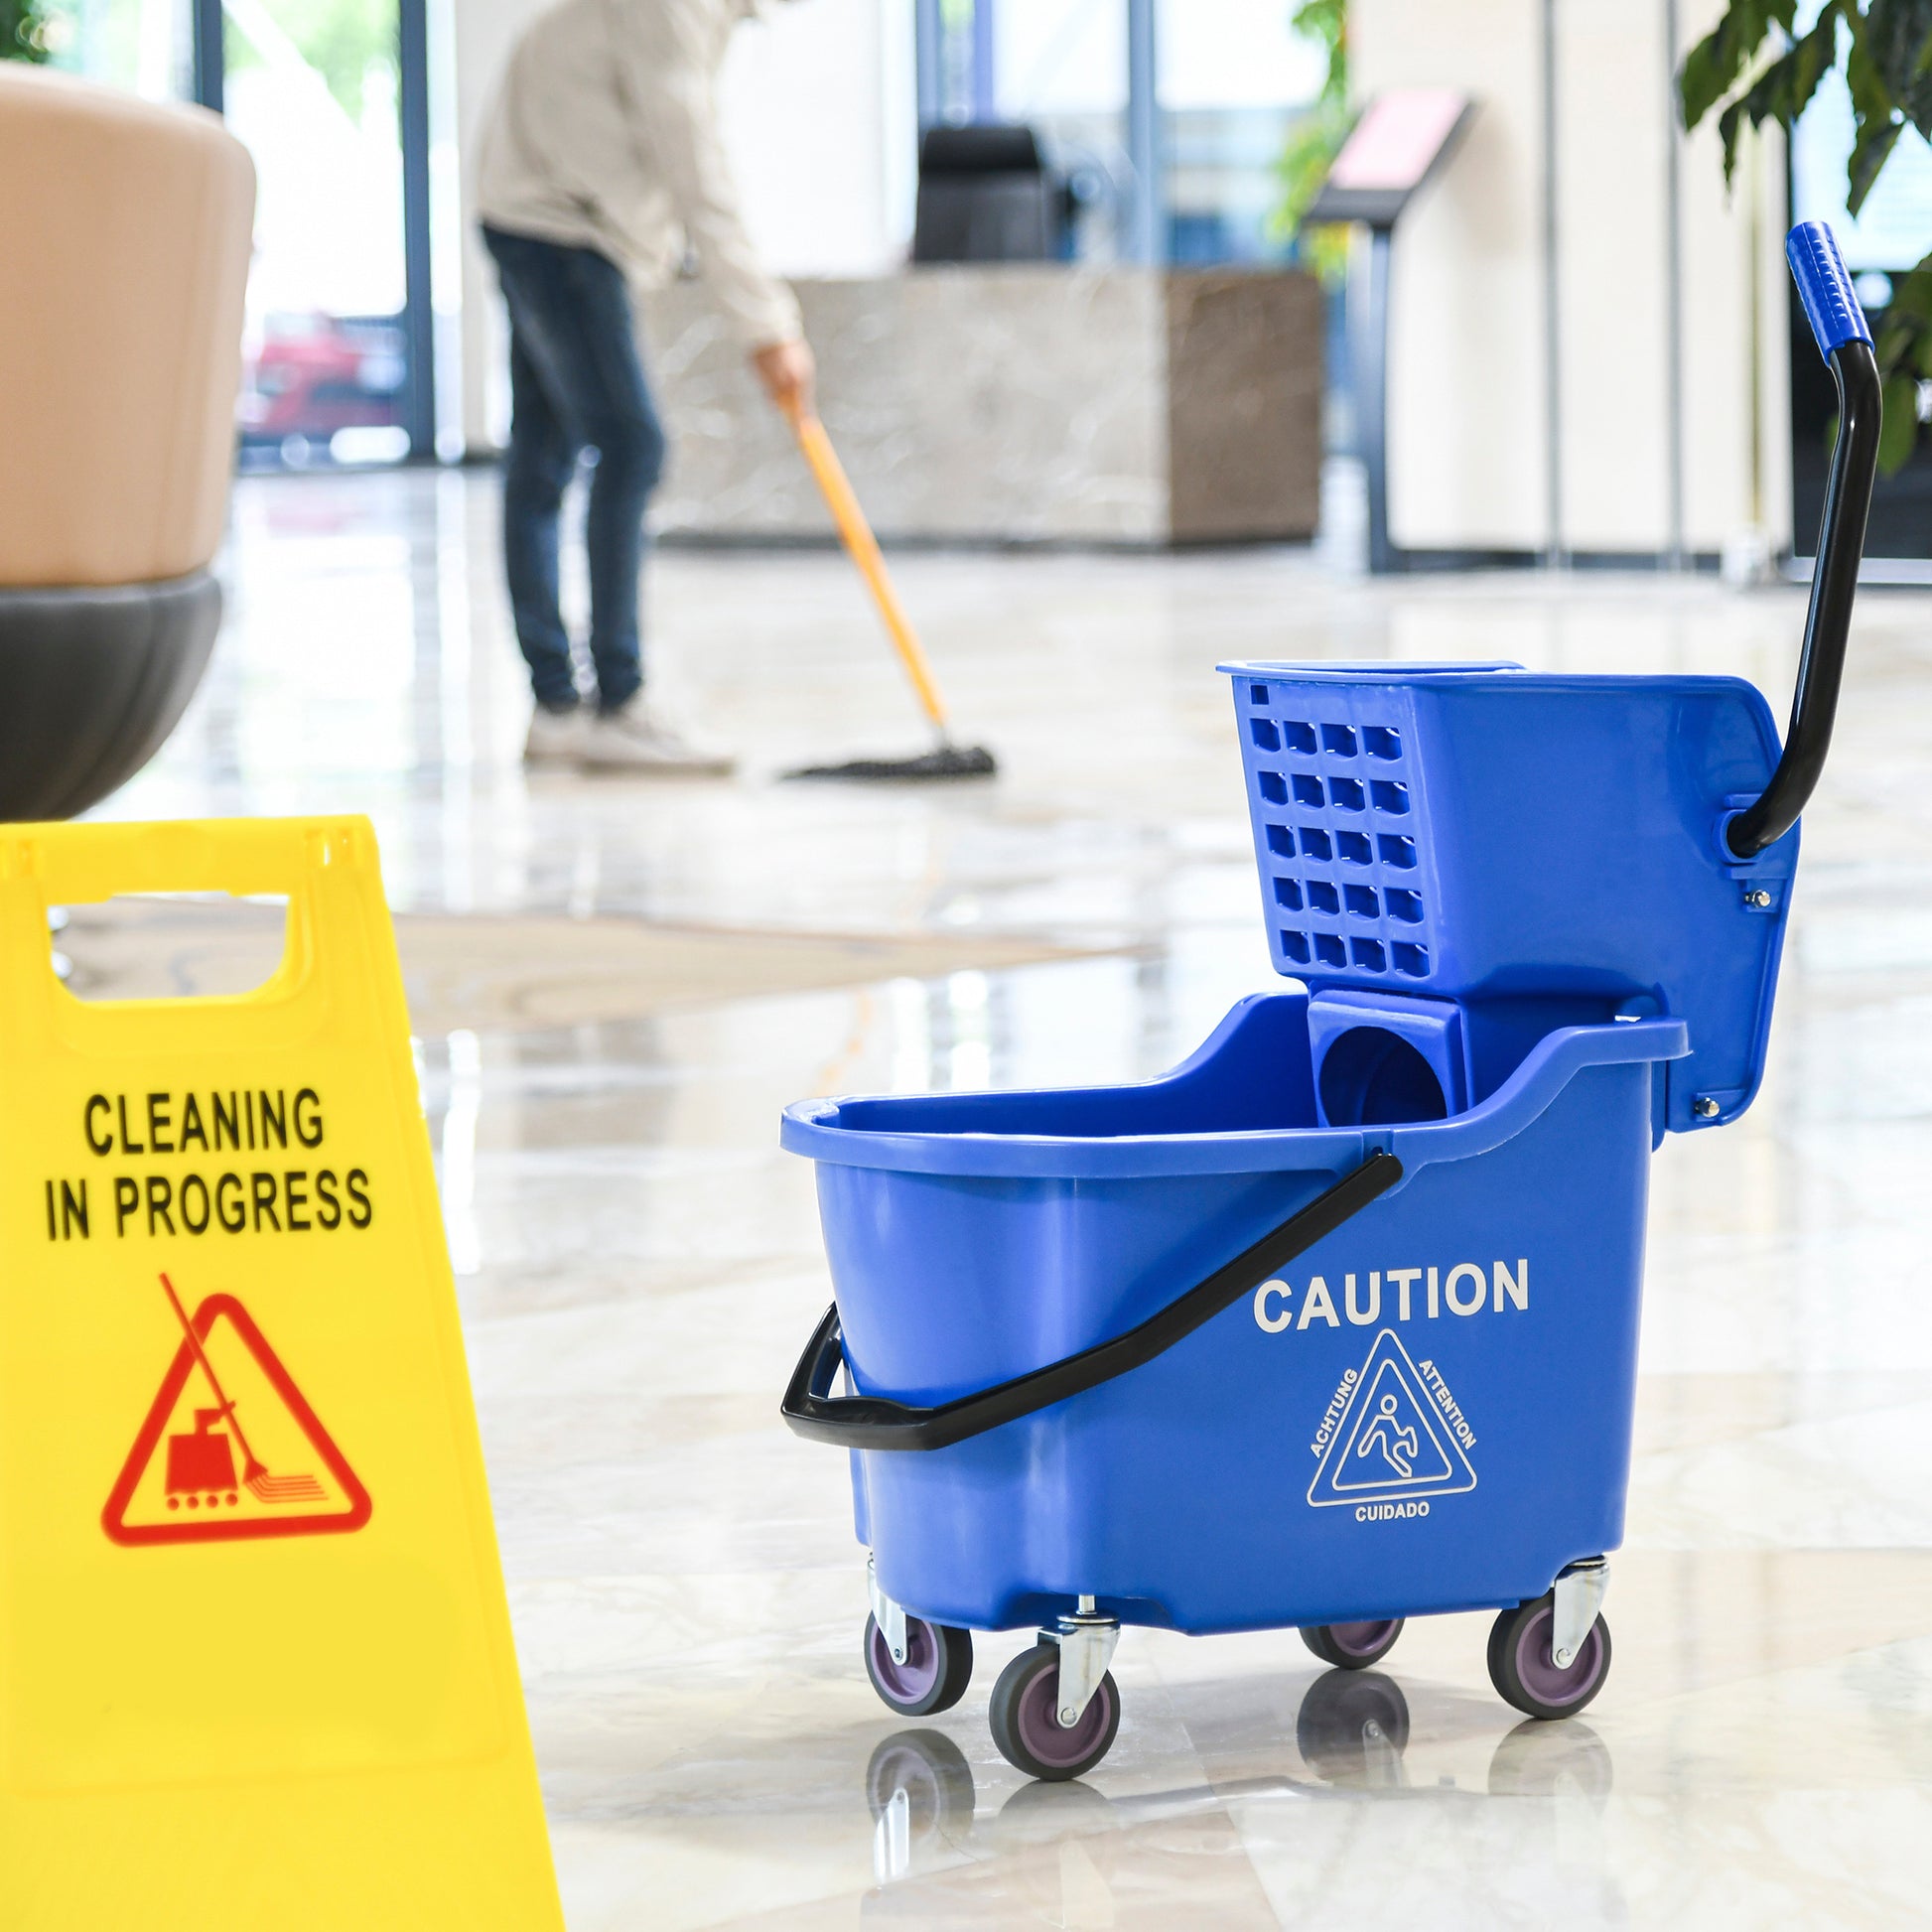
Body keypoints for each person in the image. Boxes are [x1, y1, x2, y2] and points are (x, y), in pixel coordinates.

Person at [475, 0, 814, 774]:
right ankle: (618, 702)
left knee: (542, 459)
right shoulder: (674, 5)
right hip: (561, 229)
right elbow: (695, 163)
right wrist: (766, 324)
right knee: (630, 444)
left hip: (527, 212)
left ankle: (558, 708)